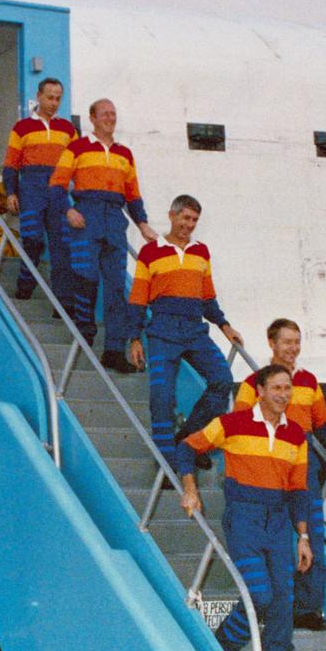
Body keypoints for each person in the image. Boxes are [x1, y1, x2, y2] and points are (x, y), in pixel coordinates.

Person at [177, 365, 313, 651]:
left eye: (288, 388)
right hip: (244, 519)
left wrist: (303, 537)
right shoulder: (231, 423)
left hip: (279, 524)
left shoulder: (296, 435)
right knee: (259, 595)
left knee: (282, 605)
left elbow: (300, 492)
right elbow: (186, 448)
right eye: (277, 388)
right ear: (261, 391)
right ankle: (221, 650)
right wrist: (190, 489)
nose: (284, 394)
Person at [233, 318, 326, 631]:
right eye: (287, 342)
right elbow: (238, 424)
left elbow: (323, 421)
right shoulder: (253, 384)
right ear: (271, 343)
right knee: (265, 537)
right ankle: (263, 604)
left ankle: (306, 610)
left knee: (311, 537)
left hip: (303, 469)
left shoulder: (309, 382)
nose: (293, 348)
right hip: (267, 470)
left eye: (297, 342)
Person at [126, 194, 241, 473]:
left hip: (194, 331)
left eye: (194, 220)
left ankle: (187, 440)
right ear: (172, 215)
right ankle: (166, 464)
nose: (189, 225)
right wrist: (134, 338)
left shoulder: (201, 252)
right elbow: (139, 297)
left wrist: (225, 326)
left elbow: (208, 298)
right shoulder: (150, 251)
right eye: (185, 218)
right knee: (161, 398)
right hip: (163, 332)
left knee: (222, 380)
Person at [47, 97, 156, 371]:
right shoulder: (76, 147)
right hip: (87, 217)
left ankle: (114, 351)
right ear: (92, 118)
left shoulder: (125, 154)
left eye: (113, 114)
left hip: (114, 221)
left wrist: (142, 224)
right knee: (85, 279)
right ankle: (84, 334)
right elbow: (57, 185)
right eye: (104, 113)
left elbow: (133, 195)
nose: (110, 117)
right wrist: (68, 211)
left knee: (117, 288)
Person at [3, 77, 78, 307]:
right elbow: (11, 164)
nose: (54, 102)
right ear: (38, 96)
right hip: (31, 191)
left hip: (58, 193)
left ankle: (62, 304)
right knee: (32, 240)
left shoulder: (67, 129)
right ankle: (24, 288)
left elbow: (78, 163)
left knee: (62, 247)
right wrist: (11, 192)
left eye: (58, 98)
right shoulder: (21, 128)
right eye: (50, 97)